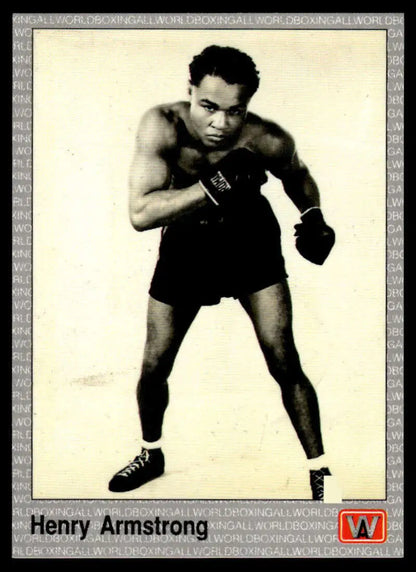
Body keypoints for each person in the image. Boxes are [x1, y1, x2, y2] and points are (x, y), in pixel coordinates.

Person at [108, 45, 335, 500]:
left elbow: (297, 173)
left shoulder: (264, 137)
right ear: (189, 91)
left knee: (283, 357)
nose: (220, 123)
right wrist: (212, 186)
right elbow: (140, 212)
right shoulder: (162, 125)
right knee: (155, 364)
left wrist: (312, 214)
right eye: (208, 106)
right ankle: (151, 452)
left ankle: (322, 471)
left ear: (247, 105)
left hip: (250, 242)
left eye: (235, 111)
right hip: (187, 245)